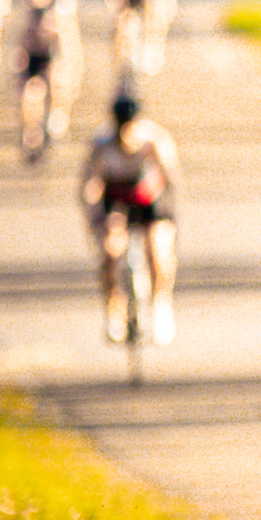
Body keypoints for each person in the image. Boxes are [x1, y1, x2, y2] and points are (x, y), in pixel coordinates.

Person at [80, 90, 180, 343]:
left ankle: (161, 305)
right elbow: (89, 187)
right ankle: (114, 311)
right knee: (111, 252)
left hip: (149, 198)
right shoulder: (101, 145)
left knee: (157, 250)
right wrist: (96, 222)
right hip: (116, 198)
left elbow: (171, 180)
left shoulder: (154, 141)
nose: (126, 136)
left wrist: (169, 222)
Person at [16, 0, 83, 159]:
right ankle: (31, 130)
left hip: (57, 32)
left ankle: (57, 115)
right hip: (35, 39)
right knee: (28, 90)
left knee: (57, 78)